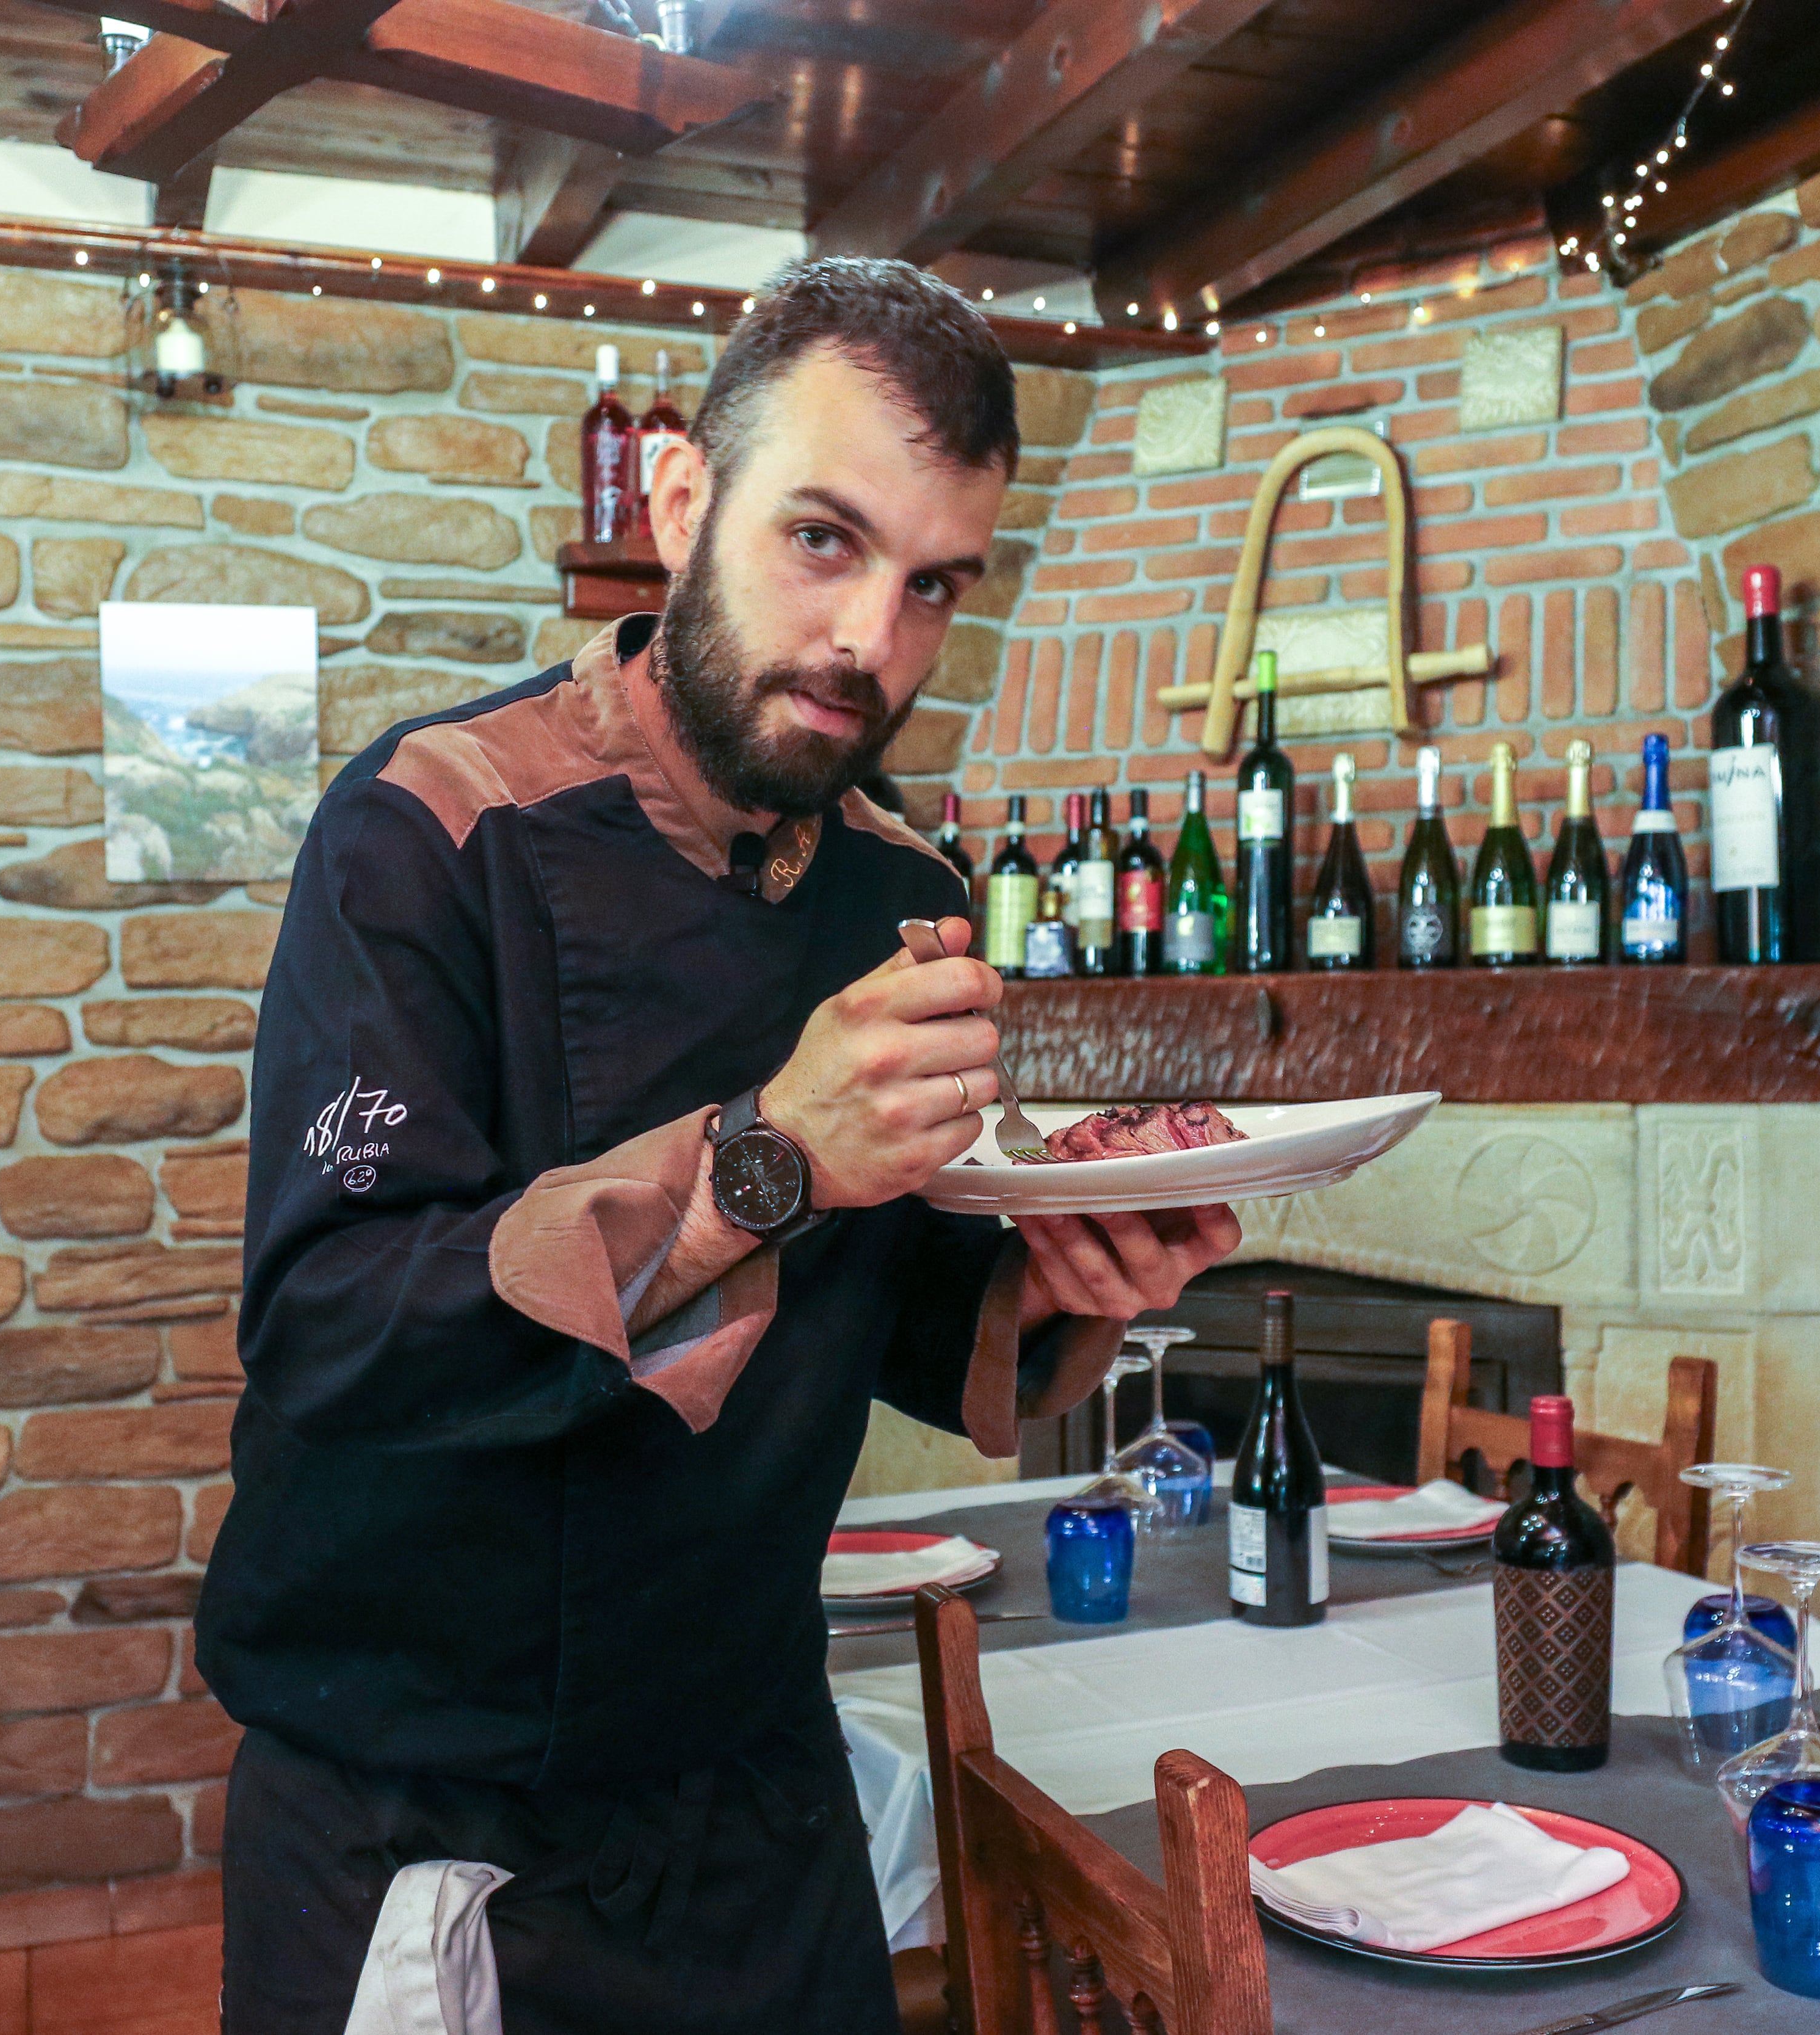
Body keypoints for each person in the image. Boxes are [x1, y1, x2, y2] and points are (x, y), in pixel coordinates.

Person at [201, 258, 1242, 2035]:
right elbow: (333, 1327)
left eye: (933, 588)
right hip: (436, 1817)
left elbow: (898, 1293)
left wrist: (1067, 1275)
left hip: (761, 1791)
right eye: (822, 543)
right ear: (683, 500)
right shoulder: (428, 827)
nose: (871, 646)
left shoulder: (906, 886)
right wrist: (768, 1155)